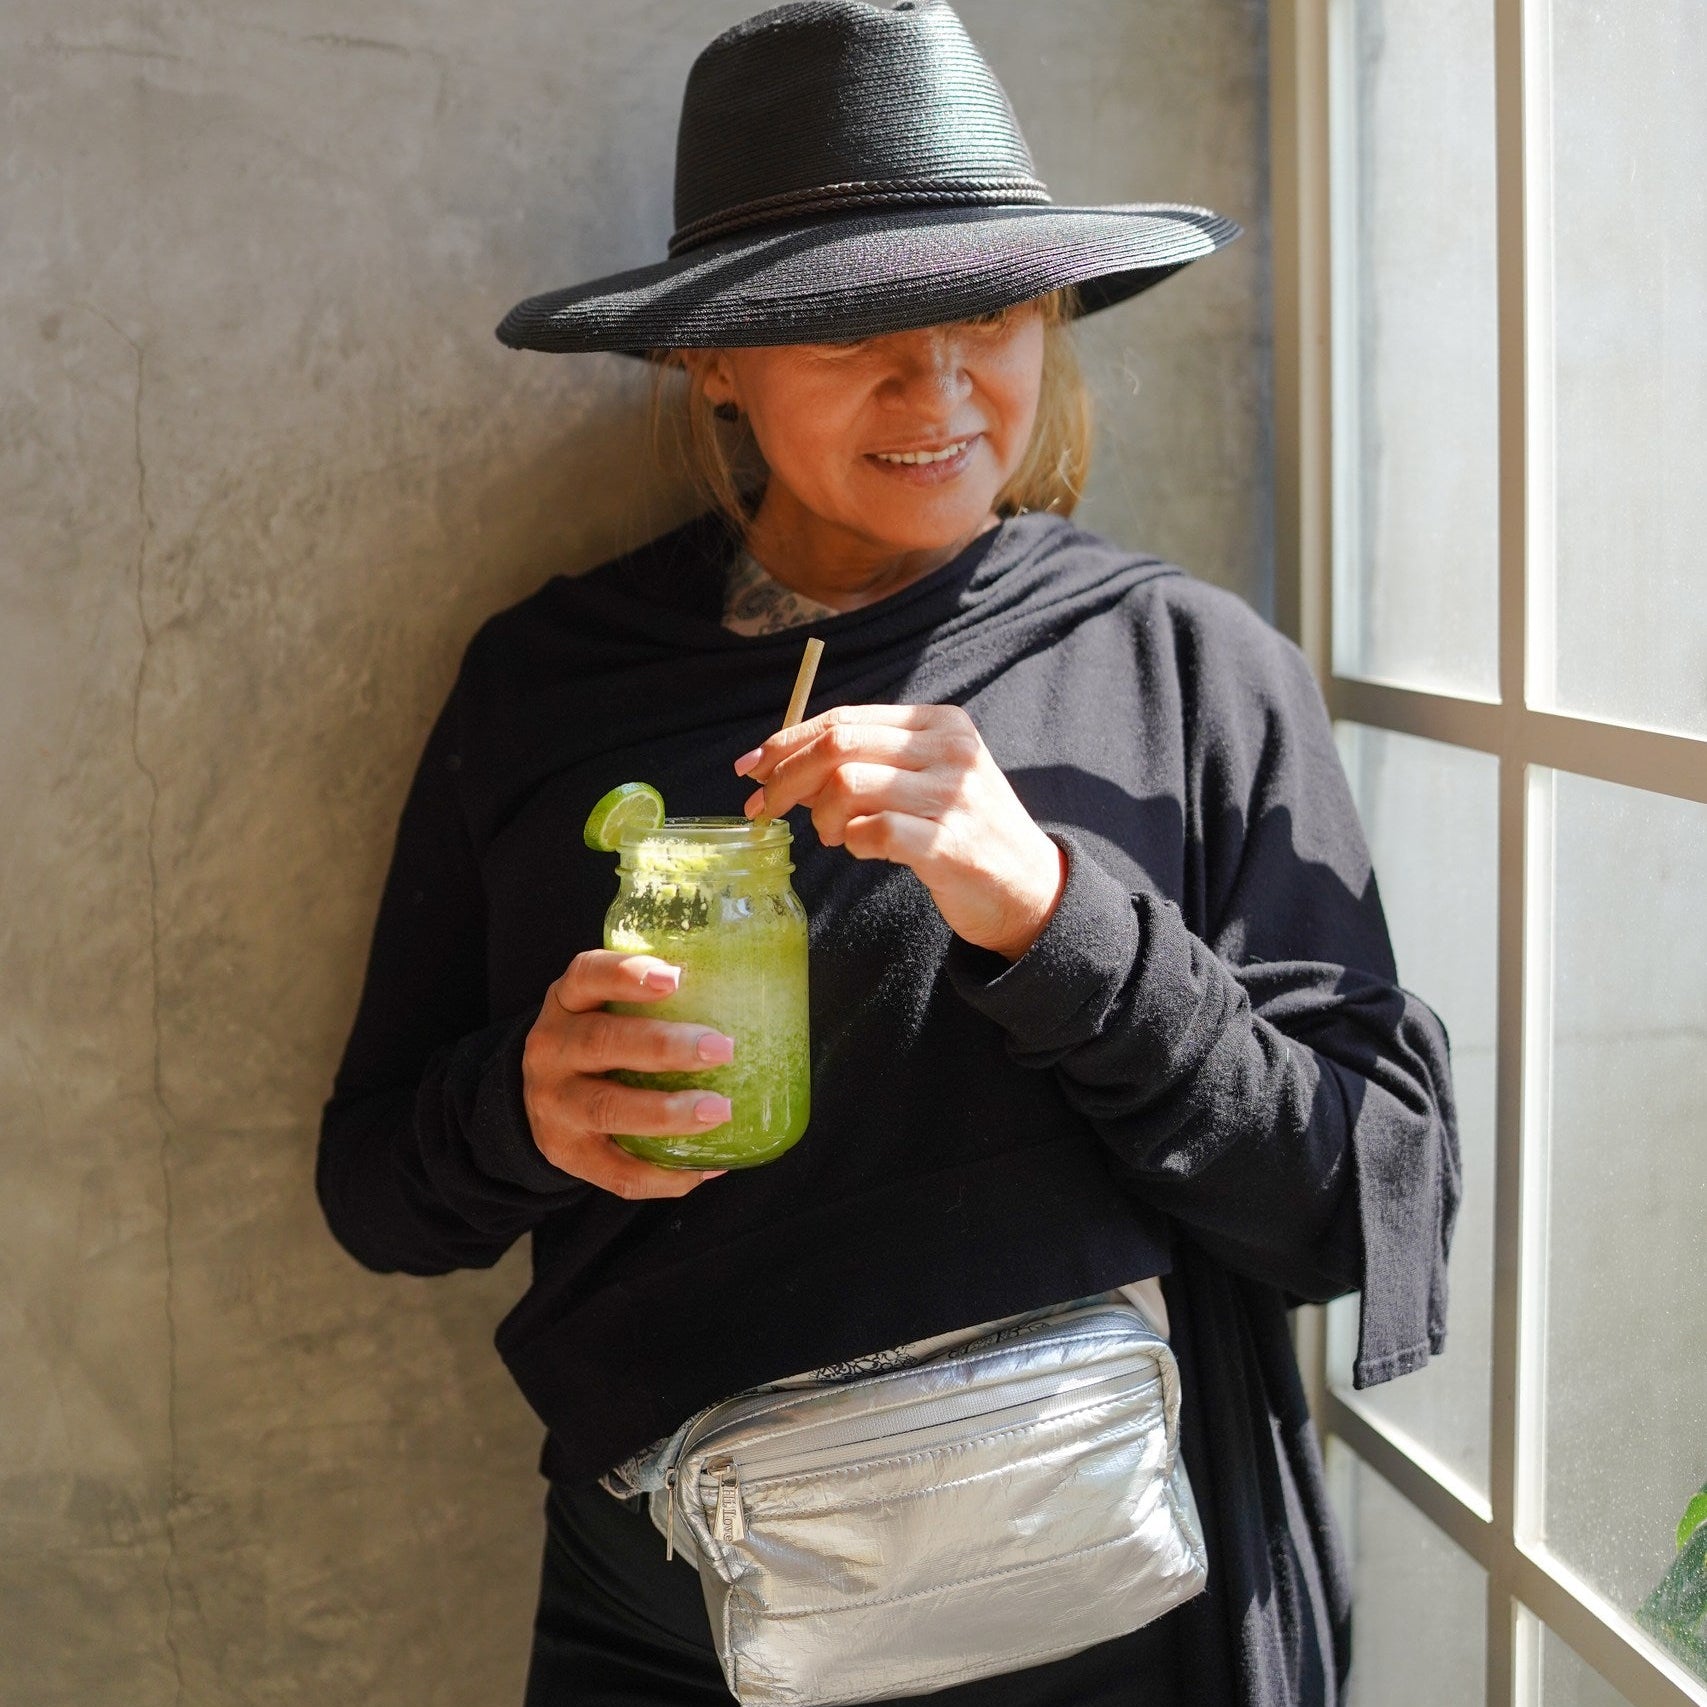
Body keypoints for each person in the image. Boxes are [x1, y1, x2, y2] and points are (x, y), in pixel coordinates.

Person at [315, 4, 1462, 1704]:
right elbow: (376, 1193)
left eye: (992, 313)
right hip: (678, 1638)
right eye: (854, 329)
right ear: (712, 358)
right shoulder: (547, 687)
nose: (941, 391)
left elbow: (1362, 1203)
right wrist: (525, 1116)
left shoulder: (1185, 666)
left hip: (1114, 1622)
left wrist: (1057, 915)